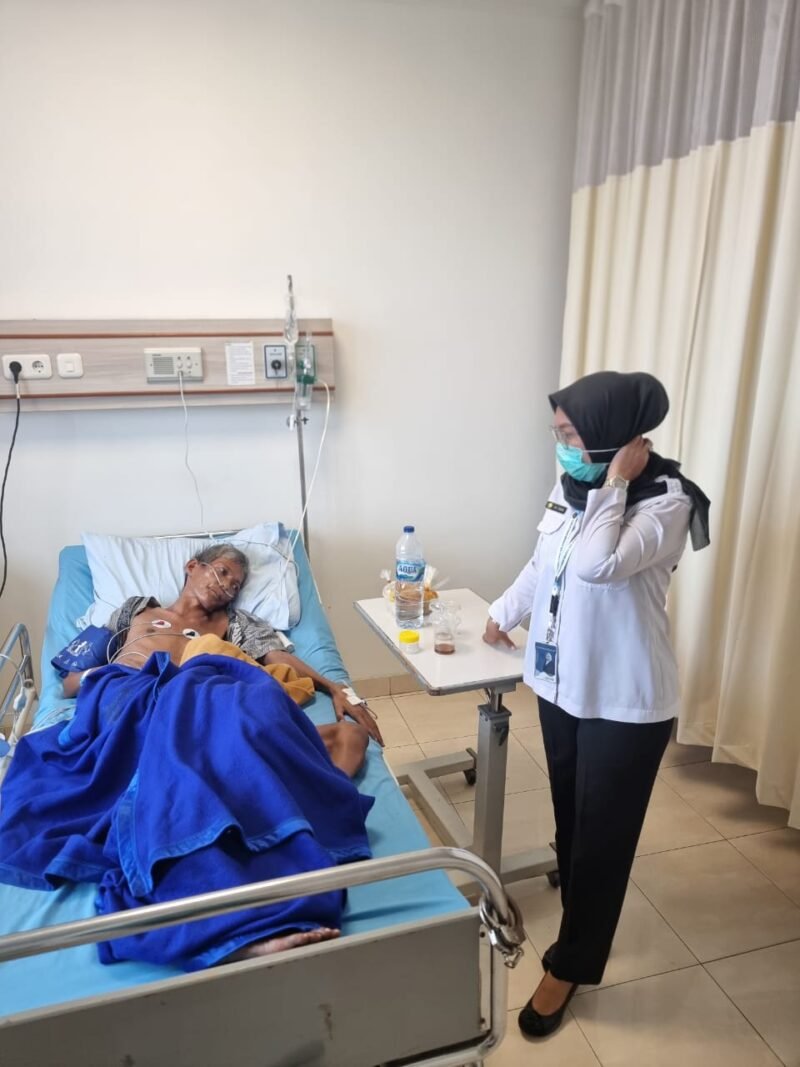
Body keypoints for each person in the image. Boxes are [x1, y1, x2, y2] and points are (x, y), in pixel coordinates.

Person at [483, 371, 710, 1038]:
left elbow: (594, 564)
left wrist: (614, 485)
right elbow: (544, 563)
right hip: (561, 685)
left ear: (615, 436)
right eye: (558, 433)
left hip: (624, 700)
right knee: (573, 819)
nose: (561, 447)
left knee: (603, 838)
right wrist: (501, 613)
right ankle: (578, 904)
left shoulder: (666, 500)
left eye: (571, 434)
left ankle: (572, 962)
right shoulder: (570, 486)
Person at [61, 543, 383, 776]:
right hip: (129, 695)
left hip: (192, 707)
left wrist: (334, 687)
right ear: (192, 567)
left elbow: (277, 658)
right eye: (222, 572)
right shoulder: (137, 609)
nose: (225, 586)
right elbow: (71, 677)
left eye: (234, 585)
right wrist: (99, 678)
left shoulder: (235, 624)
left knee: (350, 737)